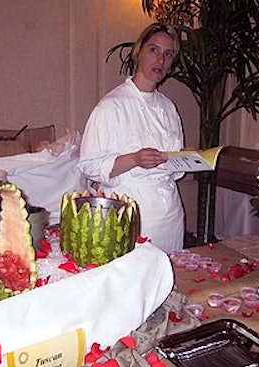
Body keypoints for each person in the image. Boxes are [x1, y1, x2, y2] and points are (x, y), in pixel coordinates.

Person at [78, 23, 190, 253]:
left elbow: (174, 169)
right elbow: (88, 166)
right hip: (130, 211)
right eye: (154, 50)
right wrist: (134, 159)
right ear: (138, 52)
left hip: (169, 212)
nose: (160, 60)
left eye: (168, 54)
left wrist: (186, 157)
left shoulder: (169, 108)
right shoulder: (111, 106)